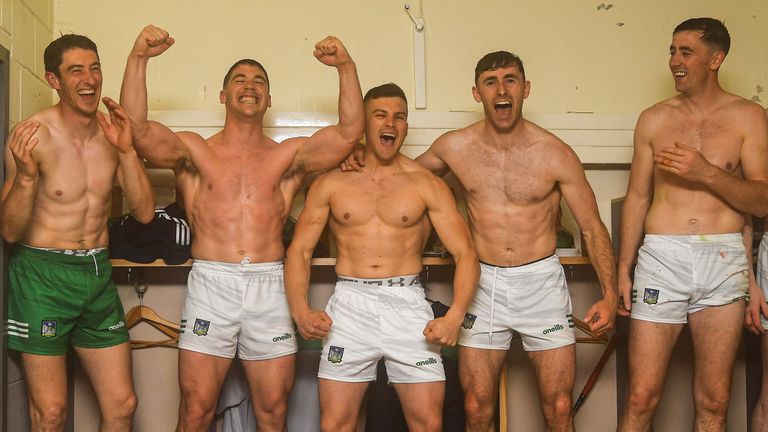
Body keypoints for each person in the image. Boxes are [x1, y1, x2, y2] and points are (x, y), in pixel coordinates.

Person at [347, 51, 618, 431]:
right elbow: (401, 175)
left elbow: (592, 227)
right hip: (483, 282)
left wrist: (610, 294)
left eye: (510, 79)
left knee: (558, 406)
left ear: (525, 89)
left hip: (540, 281)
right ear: (477, 93)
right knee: (476, 406)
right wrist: (358, 155)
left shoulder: (556, 153)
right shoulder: (455, 147)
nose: (501, 89)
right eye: (491, 82)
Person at [119, 25, 364, 431]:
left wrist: (345, 67)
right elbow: (139, 132)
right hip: (212, 283)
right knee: (195, 411)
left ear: (268, 98)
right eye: (239, 80)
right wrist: (138, 57)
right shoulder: (195, 151)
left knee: (273, 413)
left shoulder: (289, 156)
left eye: (259, 82)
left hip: (270, 285)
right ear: (223, 96)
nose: (249, 87)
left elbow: (349, 134)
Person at [285, 83, 478, 432]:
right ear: (364, 123)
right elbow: (299, 250)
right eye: (381, 115)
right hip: (350, 304)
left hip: (406, 303)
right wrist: (300, 310)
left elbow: (466, 253)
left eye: (399, 117)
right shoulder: (331, 182)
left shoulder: (425, 183)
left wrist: (455, 318)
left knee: (428, 424)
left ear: (405, 126)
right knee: (336, 424)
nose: (391, 123)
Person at [617, 18, 768, 431]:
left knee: (714, 400)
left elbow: (761, 199)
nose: (674, 61)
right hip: (662, 256)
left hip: (723, 258)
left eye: (686, 52)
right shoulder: (654, 119)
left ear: (716, 59)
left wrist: (707, 173)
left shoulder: (749, 117)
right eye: (671, 51)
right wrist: (622, 269)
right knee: (641, 395)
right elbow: (637, 198)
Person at [1, 34, 155, 431]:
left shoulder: (111, 134)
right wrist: (27, 178)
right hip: (41, 276)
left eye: (95, 67)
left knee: (122, 404)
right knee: (51, 412)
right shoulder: (32, 135)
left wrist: (126, 151)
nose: (89, 79)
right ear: (53, 80)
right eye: (76, 70)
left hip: (95, 273)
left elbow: (142, 212)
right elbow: (9, 231)